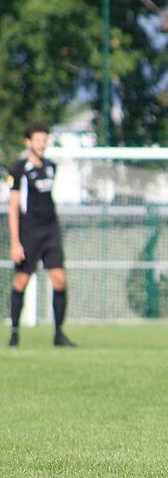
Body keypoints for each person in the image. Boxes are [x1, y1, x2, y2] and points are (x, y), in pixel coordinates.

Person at [7, 124, 76, 348]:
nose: (42, 144)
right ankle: (15, 333)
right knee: (21, 282)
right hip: (29, 232)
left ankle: (58, 333)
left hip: (50, 230)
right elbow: (14, 207)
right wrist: (15, 242)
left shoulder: (50, 167)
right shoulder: (19, 169)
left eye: (44, 140)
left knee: (59, 280)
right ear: (28, 142)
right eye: (38, 140)